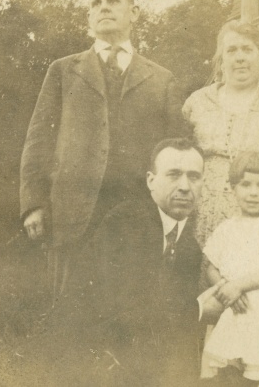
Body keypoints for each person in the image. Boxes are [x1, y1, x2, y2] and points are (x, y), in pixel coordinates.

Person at [19, 0, 184, 301]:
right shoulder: (63, 71)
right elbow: (38, 140)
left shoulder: (162, 79)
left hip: (137, 216)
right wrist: (33, 204)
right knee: (67, 313)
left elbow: (173, 152)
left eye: (113, 1)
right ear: (89, 17)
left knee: (129, 310)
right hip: (72, 215)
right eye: (96, 3)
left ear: (134, 12)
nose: (104, 8)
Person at [93, 138, 205, 385]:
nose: (185, 187)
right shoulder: (125, 223)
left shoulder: (190, 247)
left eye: (194, 177)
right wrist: (199, 309)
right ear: (150, 181)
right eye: (174, 175)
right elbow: (128, 315)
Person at [182, 21, 259, 255]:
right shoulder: (197, 102)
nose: (240, 57)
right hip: (201, 216)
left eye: (247, 50)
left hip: (258, 220)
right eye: (231, 50)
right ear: (221, 60)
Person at [200, 151, 259, 383]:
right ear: (233, 189)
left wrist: (239, 286)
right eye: (245, 184)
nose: (253, 192)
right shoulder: (226, 228)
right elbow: (209, 266)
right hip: (235, 309)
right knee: (228, 372)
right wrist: (226, 288)